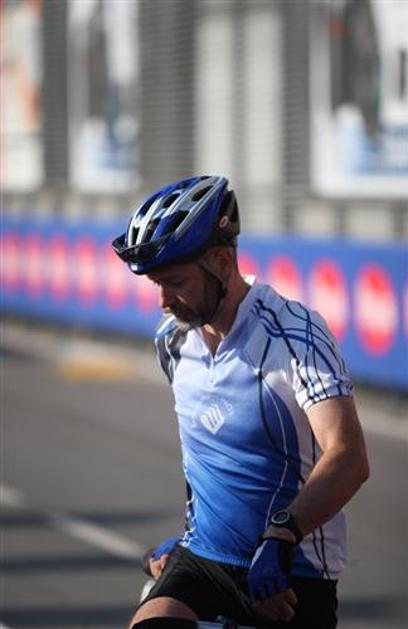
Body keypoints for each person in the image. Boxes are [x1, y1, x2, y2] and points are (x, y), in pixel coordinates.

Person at [112, 175, 369, 628]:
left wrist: (282, 536)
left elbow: (348, 458)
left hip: (290, 570)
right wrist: (190, 535)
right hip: (203, 559)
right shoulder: (172, 341)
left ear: (222, 261)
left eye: (175, 282)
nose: (163, 301)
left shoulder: (296, 335)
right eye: (156, 284)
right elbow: (204, 451)